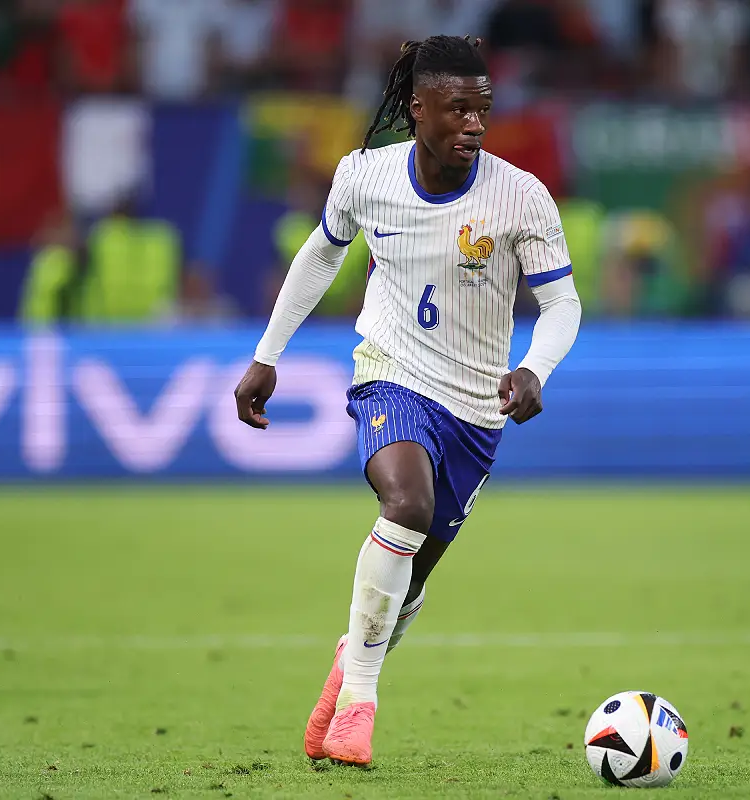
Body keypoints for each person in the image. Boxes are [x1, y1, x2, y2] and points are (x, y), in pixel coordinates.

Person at [232, 34, 582, 767]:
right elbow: (323, 253)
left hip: (477, 407)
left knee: (410, 576)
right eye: (458, 110)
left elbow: (562, 305)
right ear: (417, 108)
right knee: (406, 506)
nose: (474, 125)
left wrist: (534, 369)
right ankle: (362, 700)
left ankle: (345, 670)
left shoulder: (520, 195)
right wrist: (268, 355)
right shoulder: (365, 176)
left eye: (482, 110)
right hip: (390, 370)